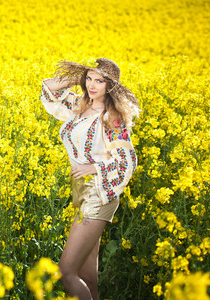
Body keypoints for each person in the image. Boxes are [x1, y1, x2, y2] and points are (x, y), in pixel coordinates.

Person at [39, 58, 140, 300]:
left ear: (110, 87)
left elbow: (127, 160)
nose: (93, 85)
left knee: (65, 272)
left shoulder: (111, 117)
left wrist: (94, 167)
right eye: (90, 79)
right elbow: (49, 88)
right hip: (81, 192)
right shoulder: (80, 105)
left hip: (99, 193)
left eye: (100, 81)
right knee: (87, 279)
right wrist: (79, 76)